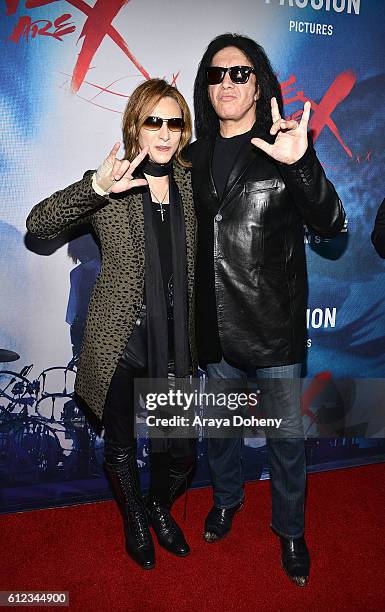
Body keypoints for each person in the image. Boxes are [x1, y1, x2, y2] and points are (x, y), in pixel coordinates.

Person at [190, 33, 345, 587]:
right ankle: (227, 501)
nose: (226, 83)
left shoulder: (283, 144)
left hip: (273, 327)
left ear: (259, 84)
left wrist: (302, 163)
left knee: (285, 441)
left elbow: (331, 225)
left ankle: (291, 531)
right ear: (205, 87)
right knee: (223, 433)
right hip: (213, 326)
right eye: (216, 74)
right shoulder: (190, 156)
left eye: (240, 73)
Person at [26, 79, 197, 570]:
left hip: (177, 341)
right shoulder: (111, 179)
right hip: (120, 339)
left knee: (180, 449)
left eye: (175, 122)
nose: (165, 133)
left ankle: (159, 507)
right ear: (135, 126)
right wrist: (98, 187)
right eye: (154, 122)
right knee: (120, 443)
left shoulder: (190, 183)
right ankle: (136, 521)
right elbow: (39, 224)